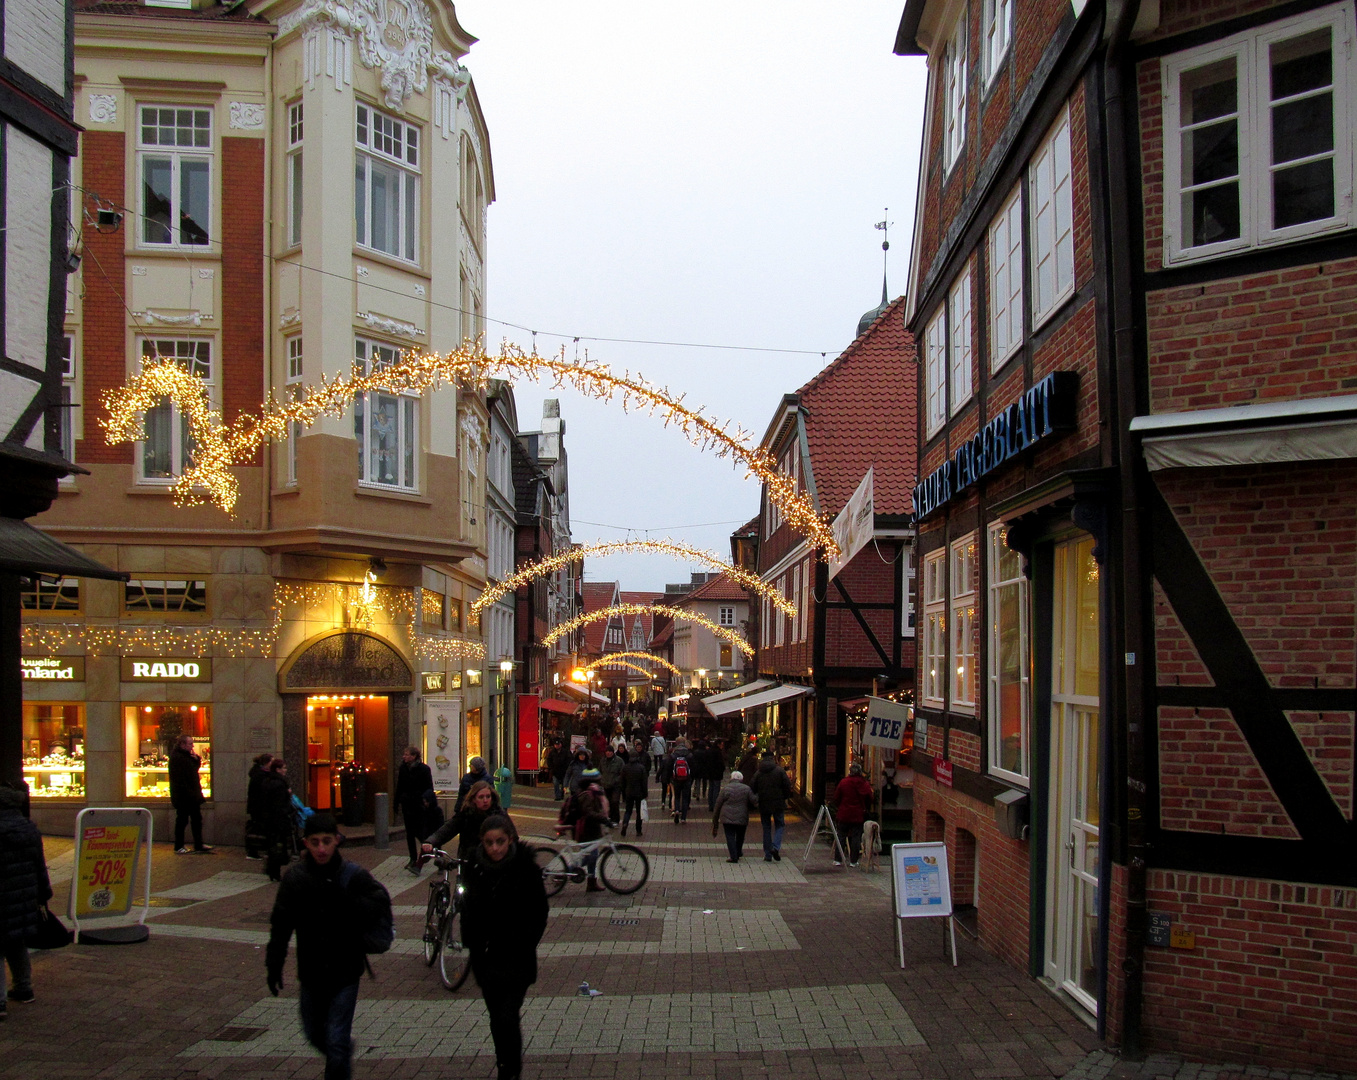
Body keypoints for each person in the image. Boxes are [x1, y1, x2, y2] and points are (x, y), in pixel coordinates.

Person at [266, 813, 391, 1080]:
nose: (321, 849)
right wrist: (273, 964)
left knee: (335, 1040)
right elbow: (281, 923)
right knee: (314, 1033)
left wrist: (349, 903)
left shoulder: (352, 875)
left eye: (326, 841)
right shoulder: (295, 879)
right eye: (314, 842)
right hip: (311, 971)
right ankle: (342, 1051)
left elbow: (379, 902)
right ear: (305, 844)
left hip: (345, 969)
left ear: (337, 841)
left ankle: (339, 1056)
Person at [460, 814, 549, 1080]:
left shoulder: (526, 869)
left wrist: (525, 941)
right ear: (482, 843)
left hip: (517, 959)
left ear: (510, 840)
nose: (495, 848)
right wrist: (473, 946)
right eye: (489, 843)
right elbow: (467, 912)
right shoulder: (474, 869)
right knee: (497, 1017)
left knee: (508, 1015)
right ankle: (504, 1064)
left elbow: (539, 913)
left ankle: (510, 1071)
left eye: (500, 841)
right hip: (486, 959)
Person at [0, 783, 51, 1016]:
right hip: (23, 896)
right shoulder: (28, 828)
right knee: (16, 942)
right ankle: (23, 988)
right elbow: (40, 865)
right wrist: (43, 893)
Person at [424, 780, 505, 860]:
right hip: (469, 861)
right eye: (481, 797)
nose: (485, 800)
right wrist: (430, 841)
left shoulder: (499, 815)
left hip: (493, 861)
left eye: (488, 796)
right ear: (473, 799)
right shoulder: (466, 815)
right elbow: (447, 829)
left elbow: (512, 835)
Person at [169, 734, 213, 854]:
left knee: (196, 819)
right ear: (183, 744)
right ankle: (179, 846)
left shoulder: (186, 756)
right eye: (190, 744)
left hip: (192, 794)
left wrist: (196, 758)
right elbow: (187, 774)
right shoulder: (178, 757)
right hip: (184, 795)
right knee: (182, 820)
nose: (192, 746)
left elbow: (194, 769)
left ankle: (198, 844)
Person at [394, 746, 435, 873]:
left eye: (407, 754)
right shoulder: (403, 768)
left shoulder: (424, 769)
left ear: (414, 756)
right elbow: (400, 785)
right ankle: (413, 858)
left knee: (419, 832)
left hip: (419, 805)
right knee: (409, 833)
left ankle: (431, 850)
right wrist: (396, 802)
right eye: (404, 754)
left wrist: (427, 801)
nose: (404, 756)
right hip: (407, 804)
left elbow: (429, 787)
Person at [749, 751, 793, 862]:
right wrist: (785, 797)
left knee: (766, 827)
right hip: (778, 802)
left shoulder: (759, 772)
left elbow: (752, 787)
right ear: (773, 758)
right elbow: (787, 785)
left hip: (764, 803)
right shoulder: (779, 771)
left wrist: (757, 797)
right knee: (780, 824)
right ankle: (775, 847)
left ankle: (768, 854)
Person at [571, 769, 609, 892]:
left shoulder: (593, 793)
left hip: (592, 829)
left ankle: (591, 882)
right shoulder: (587, 794)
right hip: (585, 830)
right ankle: (568, 870)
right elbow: (588, 812)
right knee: (590, 857)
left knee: (592, 856)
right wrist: (603, 819)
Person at [831, 763, 875, 866]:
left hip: (844, 813)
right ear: (860, 772)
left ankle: (838, 859)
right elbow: (870, 798)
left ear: (850, 771)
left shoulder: (844, 782)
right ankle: (853, 861)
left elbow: (837, 797)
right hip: (858, 814)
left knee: (841, 836)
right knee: (856, 837)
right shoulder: (864, 784)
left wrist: (840, 806)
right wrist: (865, 807)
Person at [261, 758, 296, 882]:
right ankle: (275, 872)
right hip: (278, 819)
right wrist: (288, 794)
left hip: (269, 818)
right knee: (278, 845)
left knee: (272, 844)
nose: (285, 770)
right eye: (283, 768)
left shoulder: (267, 781)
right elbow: (280, 804)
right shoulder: (280, 784)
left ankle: (271, 869)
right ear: (278, 769)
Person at [712, 770, 758, 863]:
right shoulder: (746, 789)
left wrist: (715, 821)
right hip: (742, 816)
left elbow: (718, 805)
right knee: (740, 835)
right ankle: (738, 851)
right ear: (741, 779)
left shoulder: (725, 789)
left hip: (727, 817)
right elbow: (754, 801)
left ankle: (733, 856)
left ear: (731, 779)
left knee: (730, 836)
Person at [246, 752, 274, 860]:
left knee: (258, 828)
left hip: (257, 806)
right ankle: (252, 851)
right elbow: (260, 791)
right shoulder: (259, 775)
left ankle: (256, 850)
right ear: (267, 763)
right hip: (258, 806)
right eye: (272, 761)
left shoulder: (259, 773)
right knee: (257, 828)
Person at [619, 751, 648, 838]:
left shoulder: (625, 767)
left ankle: (625, 823)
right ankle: (638, 830)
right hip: (639, 792)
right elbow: (644, 782)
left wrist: (623, 791)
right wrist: (645, 793)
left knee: (628, 810)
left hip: (629, 792)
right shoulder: (641, 768)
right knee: (639, 812)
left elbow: (622, 781)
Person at [597, 745, 624, 826]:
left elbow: (622, 773)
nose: (608, 753)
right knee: (608, 803)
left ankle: (616, 819)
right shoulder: (603, 761)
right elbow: (599, 771)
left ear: (613, 752)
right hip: (606, 785)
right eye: (607, 751)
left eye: (610, 751)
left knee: (615, 802)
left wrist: (617, 780)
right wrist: (601, 780)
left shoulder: (619, 761)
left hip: (616, 786)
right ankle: (610, 818)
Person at [670, 738, 694, 823]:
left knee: (677, 796)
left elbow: (670, 766)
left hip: (676, 779)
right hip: (686, 779)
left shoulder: (674, 754)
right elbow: (692, 766)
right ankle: (683, 818)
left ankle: (676, 809)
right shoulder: (689, 754)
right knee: (685, 798)